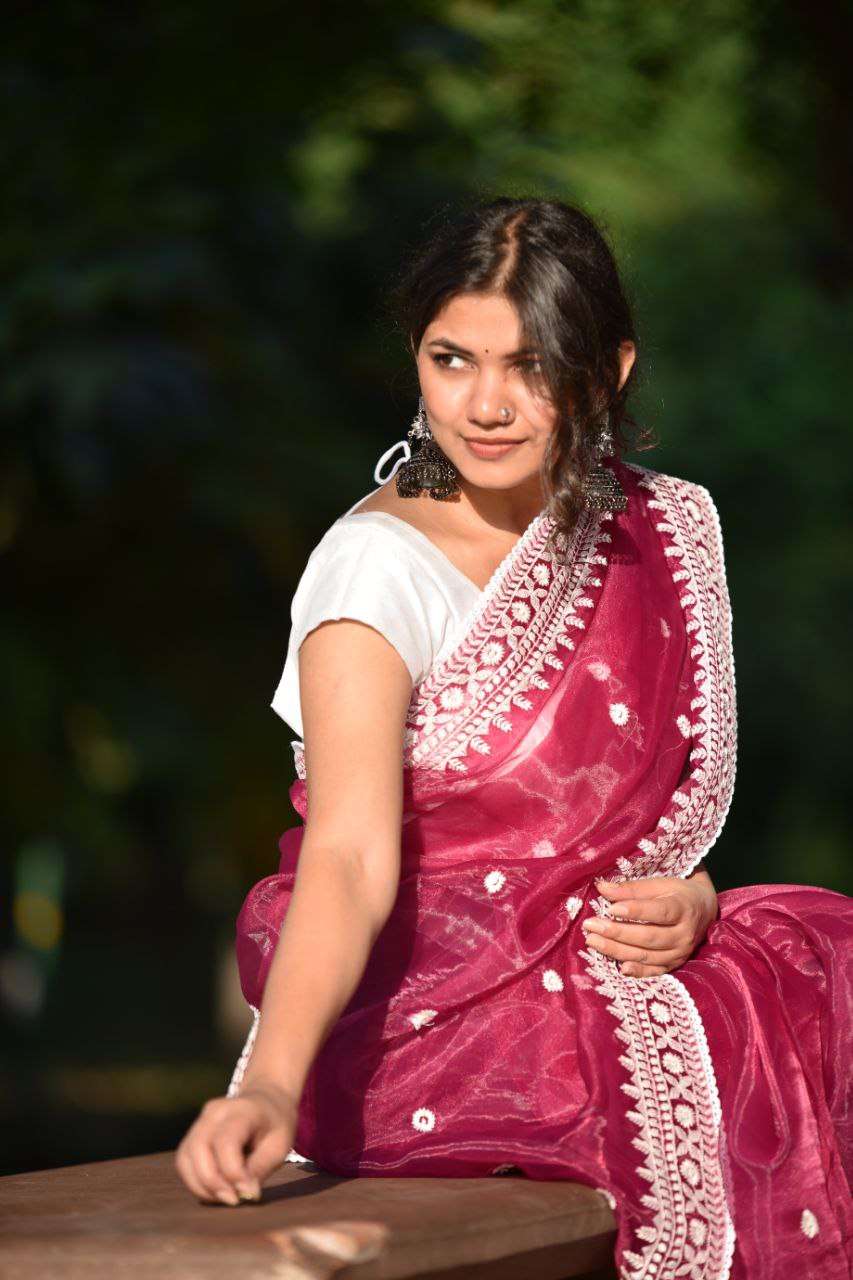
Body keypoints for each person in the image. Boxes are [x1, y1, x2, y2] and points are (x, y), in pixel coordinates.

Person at [175, 198, 853, 1279]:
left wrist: (691, 895)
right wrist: (265, 1085)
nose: (486, 405)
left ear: (607, 371)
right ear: (416, 357)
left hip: (606, 977)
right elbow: (349, 858)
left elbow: (614, 838)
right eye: (452, 359)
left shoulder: (642, 531)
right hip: (435, 1028)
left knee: (820, 956)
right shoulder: (374, 570)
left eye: (530, 367)